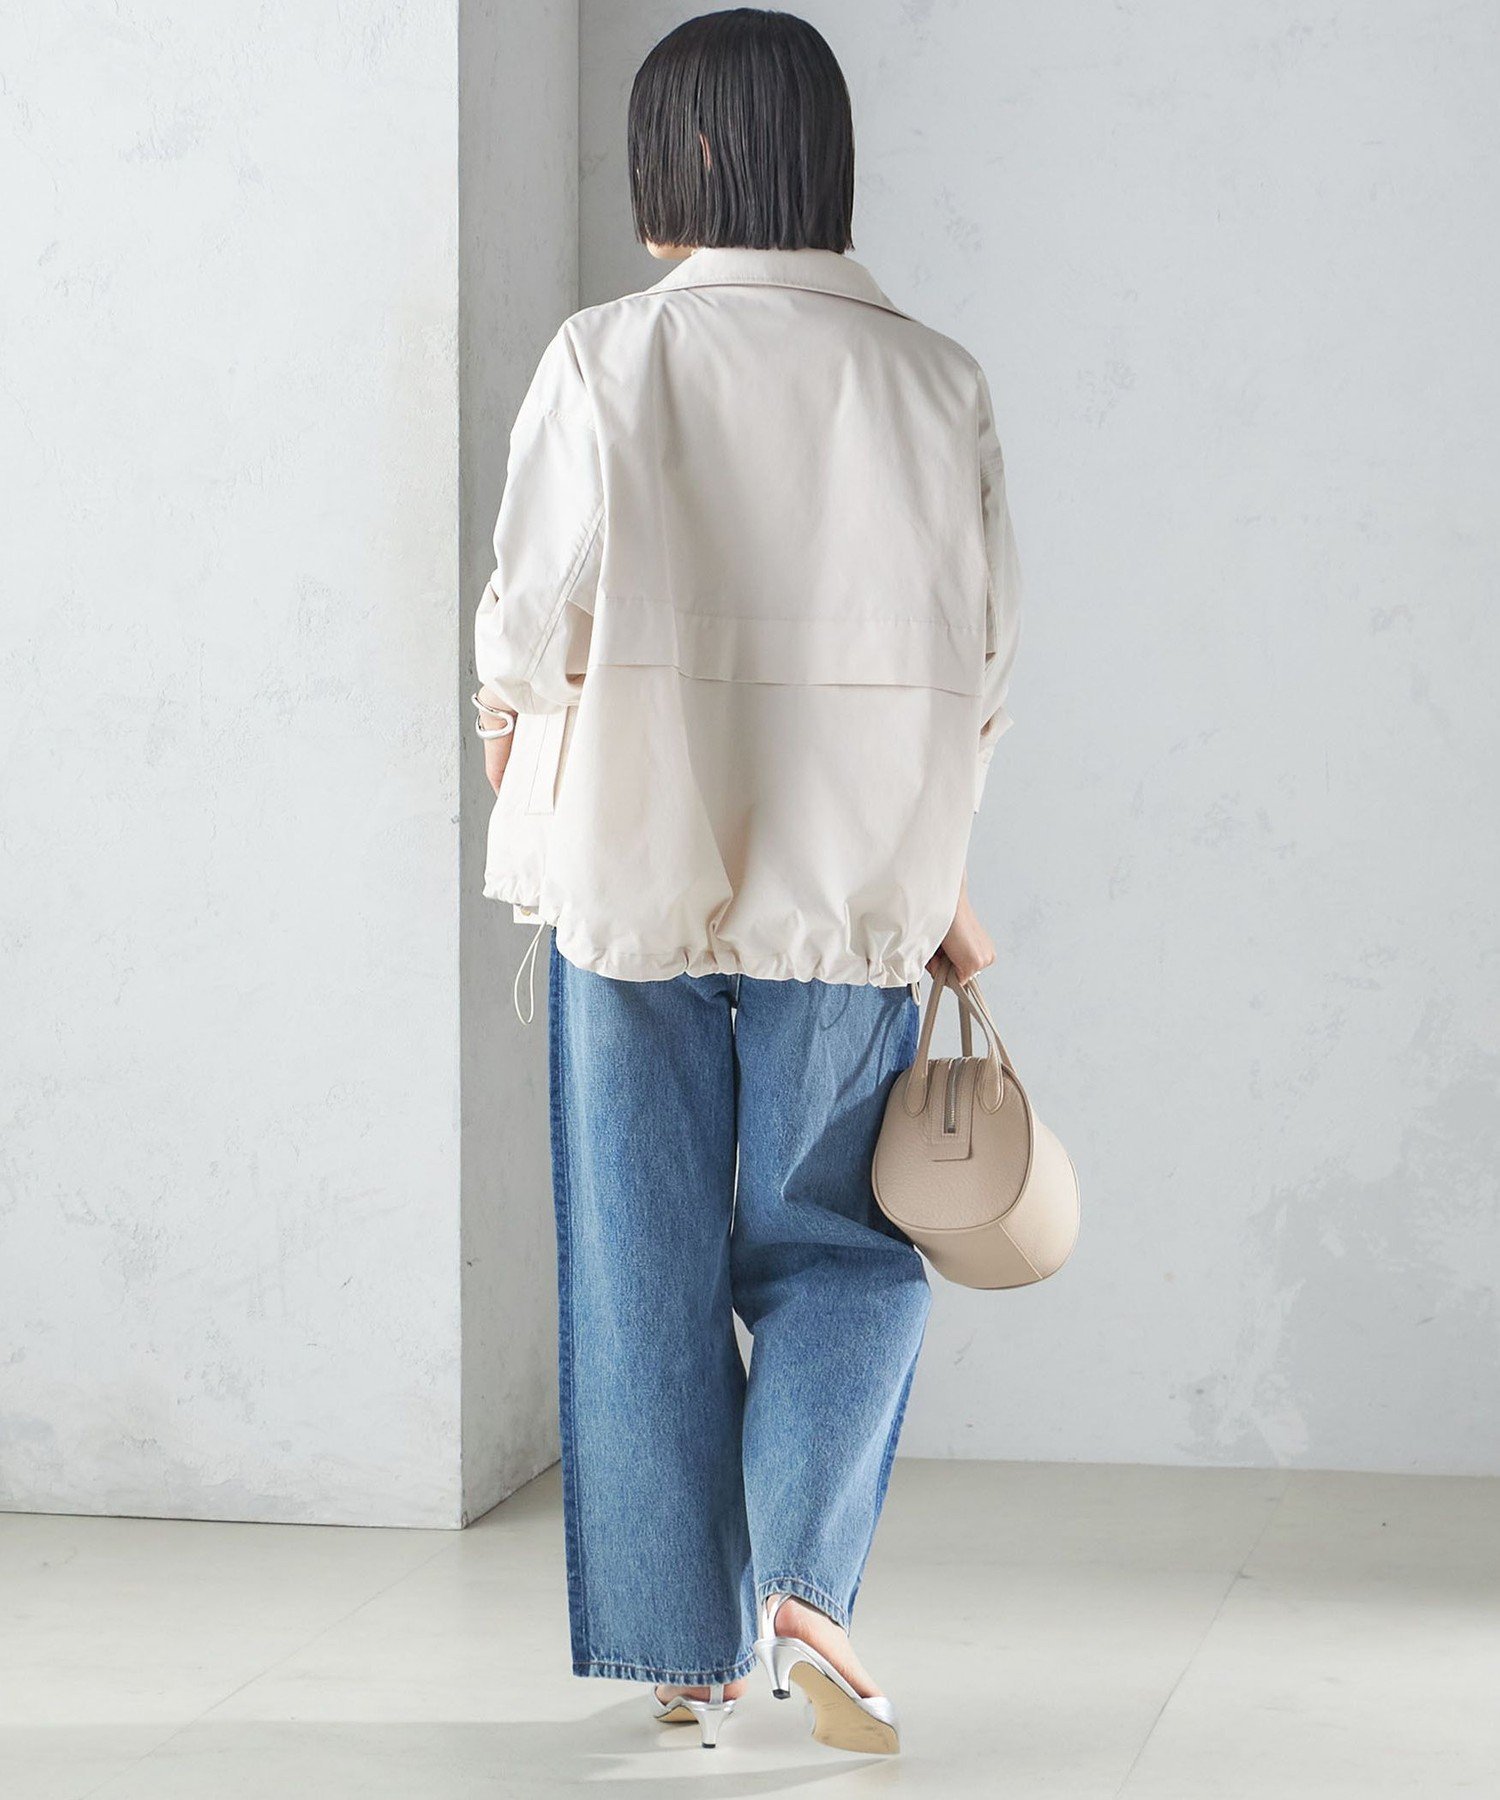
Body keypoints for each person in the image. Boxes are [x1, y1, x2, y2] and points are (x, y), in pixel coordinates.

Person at [473, 7, 1020, 1757]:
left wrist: (507, 733)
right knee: (841, 1242)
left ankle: (682, 1648)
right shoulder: (935, 382)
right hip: (853, 893)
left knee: (637, 1257)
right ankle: (804, 1587)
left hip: (629, 870)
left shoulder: (608, 358)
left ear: (689, 160)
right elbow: (984, 663)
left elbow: (527, 615)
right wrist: (934, 861)